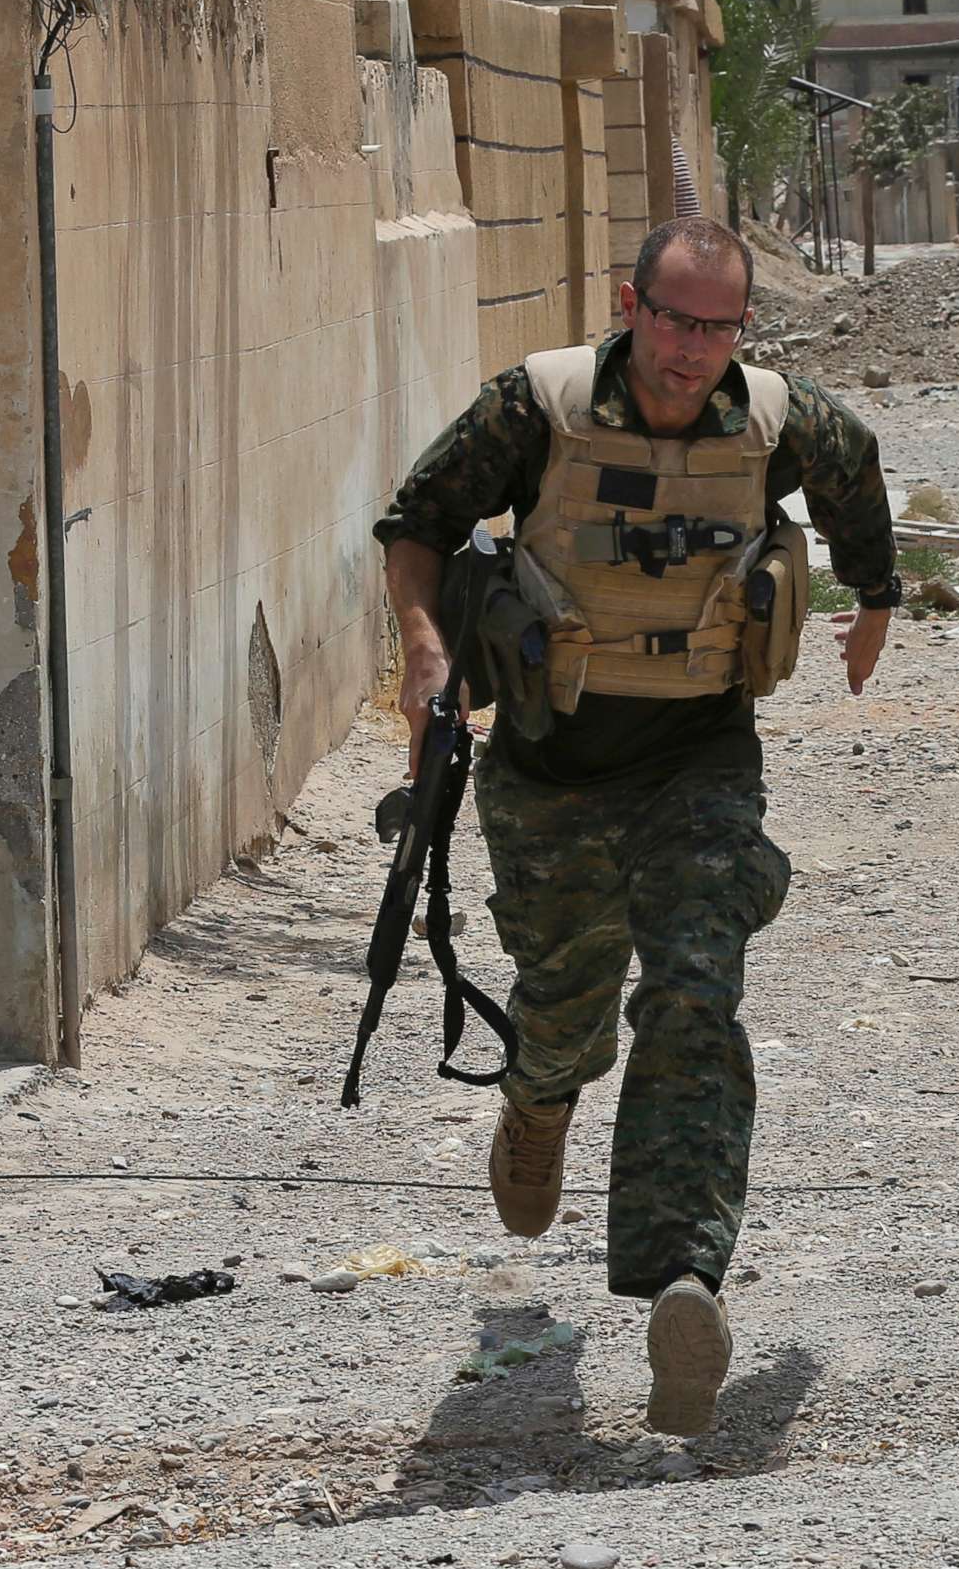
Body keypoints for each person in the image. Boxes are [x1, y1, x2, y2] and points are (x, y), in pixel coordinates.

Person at [372, 216, 901, 1433]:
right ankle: (541, 1094)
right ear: (630, 304)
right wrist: (422, 646)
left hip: (698, 761)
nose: (691, 348)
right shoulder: (540, 407)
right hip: (551, 769)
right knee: (567, 1005)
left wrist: (876, 596)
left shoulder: (772, 418)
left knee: (694, 989)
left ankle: (683, 1278)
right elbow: (416, 521)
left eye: (719, 325)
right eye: (674, 318)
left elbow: (856, 465)